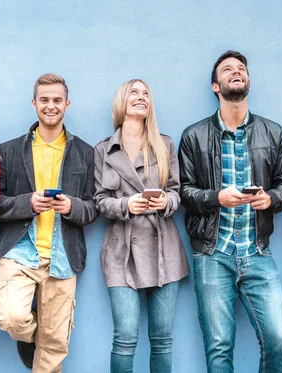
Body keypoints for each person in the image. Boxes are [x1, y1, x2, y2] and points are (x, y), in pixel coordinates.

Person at [178, 50, 282, 373]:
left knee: (279, 340)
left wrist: (270, 199)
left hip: (257, 251)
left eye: (241, 68)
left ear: (248, 81)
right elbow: (184, 191)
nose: (236, 72)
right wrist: (218, 197)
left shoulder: (273, 132)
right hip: (212, 253)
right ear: (216, 86)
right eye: (227, 69)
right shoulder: (193, 135)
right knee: (219, 350)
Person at [0, 73, 98, 373]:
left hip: (63, 256)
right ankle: (29, 338)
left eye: (57, 100)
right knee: (12, 317)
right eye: (45, 100)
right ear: (34, 103)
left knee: (53, 348)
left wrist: (71, 206)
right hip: (19, 252)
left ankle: (44, 340)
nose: (51, 106)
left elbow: (92, 208)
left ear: (67, 104)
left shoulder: (85, 152)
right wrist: (28, 203)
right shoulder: (9, 150)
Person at [94, 79, 189, 373]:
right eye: (134, 92)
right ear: (121, 101)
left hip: (164, 249)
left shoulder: (165, 144)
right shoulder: (103, 150)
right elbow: (99, 199)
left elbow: (177, 191)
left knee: (162, 339)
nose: (141, 97)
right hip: (121, 252)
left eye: (146, 93)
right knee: (125, 338)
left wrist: (165, 203)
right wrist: (126, 205)